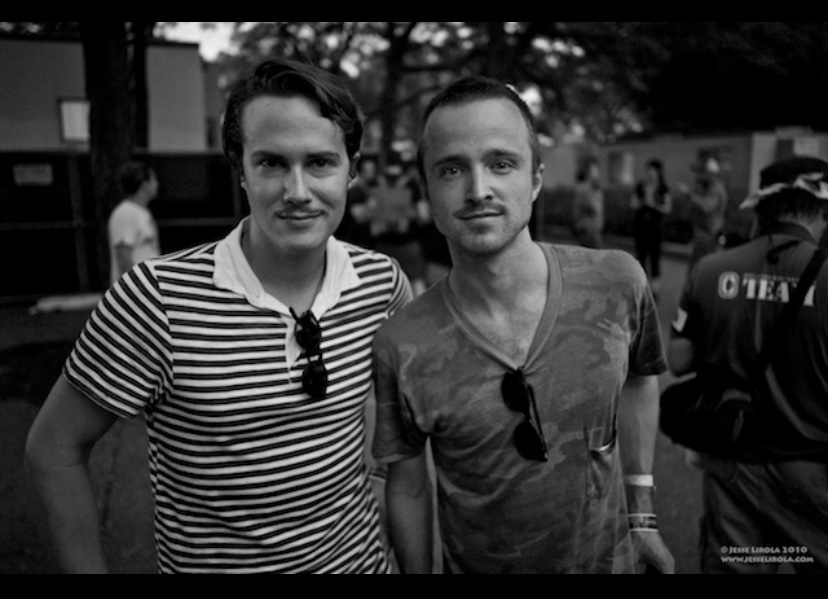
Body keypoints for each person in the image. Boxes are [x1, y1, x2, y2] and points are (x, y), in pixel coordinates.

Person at [25, 58, 412, 574]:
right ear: (241, 171)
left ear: (352, 169)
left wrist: (382, 488)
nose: (297, 191)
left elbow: (392, 425)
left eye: (320, 162)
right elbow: (53, 448)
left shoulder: (382, 284)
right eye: (271, 163)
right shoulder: (155, 299)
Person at [371, 76, 675, 574]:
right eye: (452, 169)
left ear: (535, 179)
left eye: (501, 163)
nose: (478, 190)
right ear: (427, 192)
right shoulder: (401, 343)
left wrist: (641, 516)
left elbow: (641, 380)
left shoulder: (617, 282)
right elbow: (408, 487)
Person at [668, 156, 828, 574]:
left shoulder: (711, 268)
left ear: (762, 205)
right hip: (812, 473)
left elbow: (677, 360)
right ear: (821, 207)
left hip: (733, 467)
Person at [370, 160, 428, 296]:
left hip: (382, 244)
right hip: (407, 243)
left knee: (382, 285)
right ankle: (422, 309)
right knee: (415, 281)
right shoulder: (411, 185)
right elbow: (424, 216)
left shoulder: (376, 183)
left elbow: (368, 212)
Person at [107, 161, 160, 286]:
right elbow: (123, 257)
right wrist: (136, 288)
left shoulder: (142, 212)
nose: (157, 183)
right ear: (144, 184)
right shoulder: (126, 213)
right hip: (134, 292)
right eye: (154, 179)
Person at [631, 159, 673, 300]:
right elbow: (633, 204)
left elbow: (667, 208)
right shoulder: (640, 187)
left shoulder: (663, 189)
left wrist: (653, 204)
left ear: (658, 172)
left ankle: (655, 289)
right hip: (641, 227)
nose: (649, 174)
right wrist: (643, 202)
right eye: (647, 170)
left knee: (655, 258)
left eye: (652, 170)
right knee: (641, 257)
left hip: (655, 228)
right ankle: (642, 288)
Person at [688, 156, 729, 271]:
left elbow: (706, 207)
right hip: (705, 236)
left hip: (709, 235)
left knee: (703, 270)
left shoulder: (715, 188)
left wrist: (690, 195)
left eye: (701, 173)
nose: (699, 176)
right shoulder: (709, 187)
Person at [337, 155, 378, 249]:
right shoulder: (355, 191)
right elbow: (359, 217)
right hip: (354, 240)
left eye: (373, 169)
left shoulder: (368, 189)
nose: (372, 173)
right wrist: (371, 208)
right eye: (369, 170)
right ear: (361, 171)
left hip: (366, 241)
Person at [571, 157, 605, 249]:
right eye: (594, 170)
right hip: (587, 230)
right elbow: (592, 207)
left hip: (594, 229)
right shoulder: (584, 189)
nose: (597, 173)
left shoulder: (595, 188)